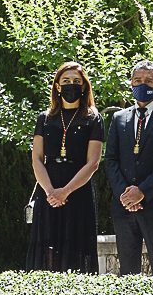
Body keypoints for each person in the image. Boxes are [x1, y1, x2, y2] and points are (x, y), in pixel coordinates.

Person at [104, 60, 153, 276]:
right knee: (127, 273)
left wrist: (142, 192)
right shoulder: (119, 118)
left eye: (149, 81)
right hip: (124, 207)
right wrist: (126, 194)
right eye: (138, 80)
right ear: (131, 83)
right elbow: (110, 159)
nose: (143, 84)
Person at [27, 61, 104, 273]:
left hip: (78, 189)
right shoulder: (44, 118)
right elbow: (37, 159)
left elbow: (93, 163)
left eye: (77, 81)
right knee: (48, 246)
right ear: (58, 87)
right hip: (49, 190)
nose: (72, 85)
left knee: (77, 246)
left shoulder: (93, 119)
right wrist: (51, 192)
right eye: (67, 81)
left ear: (85, 86)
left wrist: (66, 191)